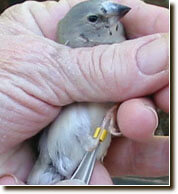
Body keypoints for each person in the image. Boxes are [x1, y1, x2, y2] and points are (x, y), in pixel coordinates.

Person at [0, 0, 169, 185]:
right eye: (94, 19)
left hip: (80, 159)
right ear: (81, 36)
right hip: (53, 164)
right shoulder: (66, 59)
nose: (115, 17)